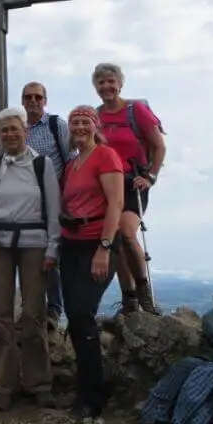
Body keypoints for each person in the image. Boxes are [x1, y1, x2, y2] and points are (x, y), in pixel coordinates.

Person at [0, 106, 62, 411]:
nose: (10, 134)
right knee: (0, 315)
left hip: (34, 245)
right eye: (5, 130)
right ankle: (4, 384)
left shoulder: (42, 165)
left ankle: (39, 383)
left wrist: (52, 247)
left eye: (15, 128)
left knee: (34, 313)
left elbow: (53, 207)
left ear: (25, 130)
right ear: (0, 134)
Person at [57, 107, 125, 419]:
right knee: (75, 315)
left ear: (95, 126)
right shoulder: (71, 164)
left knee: (83, 312)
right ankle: (85, 387)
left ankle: (93, 397)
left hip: (99, 242)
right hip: (71, 244)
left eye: (86, 122)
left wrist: (105, 247)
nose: (81, 127)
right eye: (76, 123)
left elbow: (116, 202)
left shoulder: (105, 155)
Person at [92, 62, 167, 315]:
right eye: (101, 82)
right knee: (113, 240)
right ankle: (129, 299)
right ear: (96, 87)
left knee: (125, 232)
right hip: (105, 186)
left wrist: (151, 176)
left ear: (120, 84)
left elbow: (159, 145)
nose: (107, 86)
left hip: (133, 181)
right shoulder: (96, 116)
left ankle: (143, 293)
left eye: (111, 81)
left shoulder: (136, 112)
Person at [21, 81, 72, 335]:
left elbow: (70, 159)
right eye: (28, 97)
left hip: (54, 199)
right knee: (31, 253)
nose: (33, 101)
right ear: (22, 101)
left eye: (37, 97)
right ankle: (35, 306)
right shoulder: (19, 129)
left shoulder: (56, 125)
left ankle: (54, 308)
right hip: (26, 202)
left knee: (53, 254)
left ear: (45, 100)